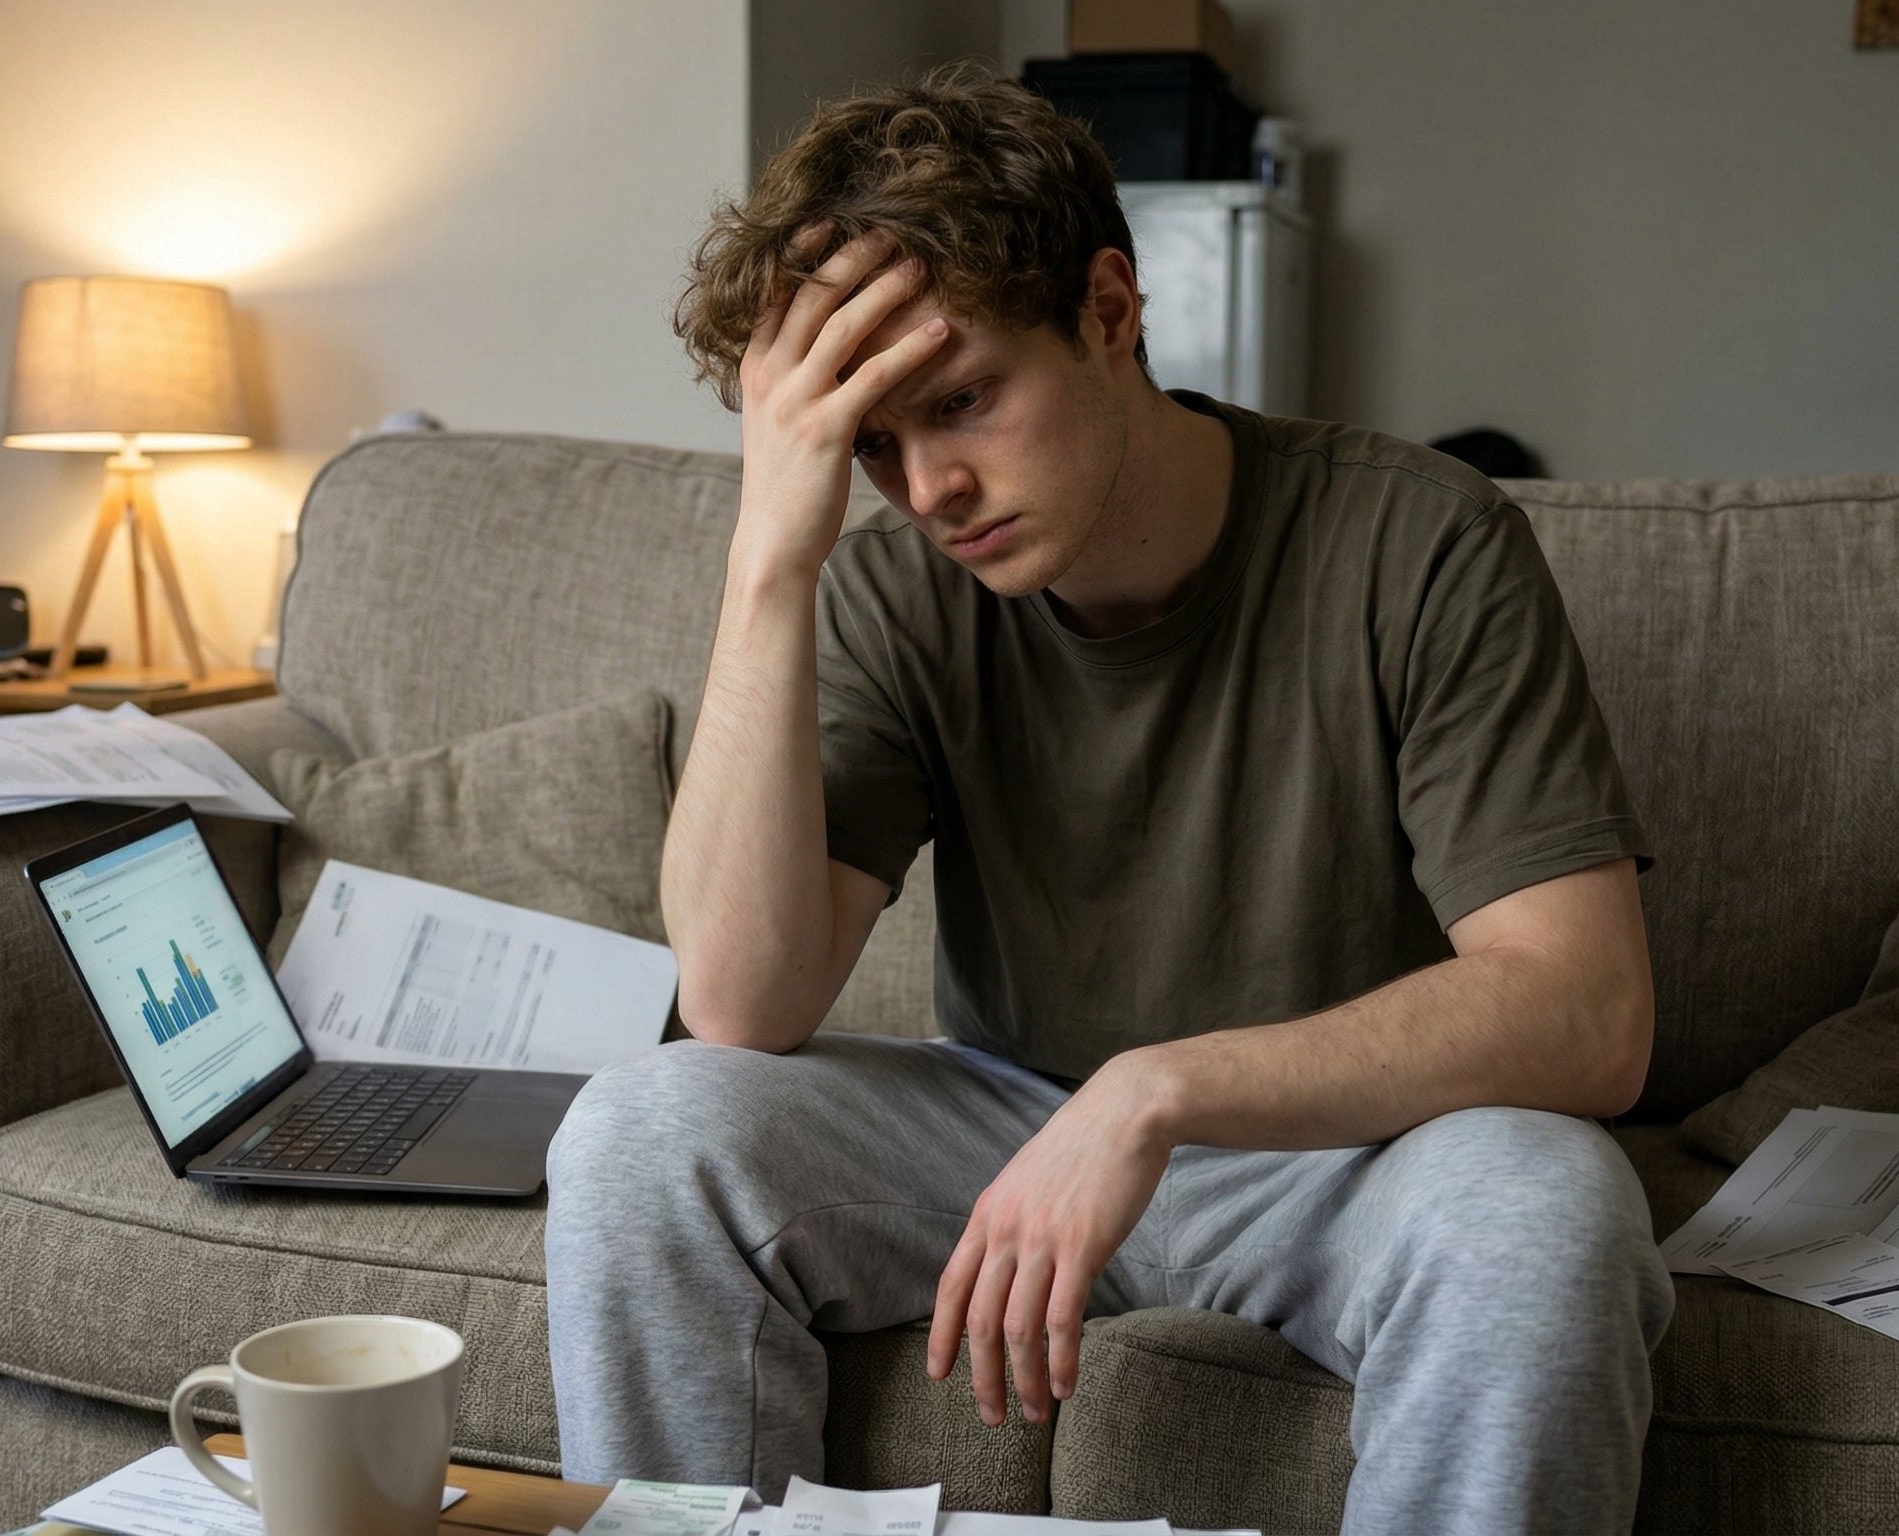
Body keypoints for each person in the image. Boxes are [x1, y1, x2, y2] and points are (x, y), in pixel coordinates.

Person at [545, 68, 1673, 1534]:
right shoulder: (896, 587)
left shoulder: (1419, 539)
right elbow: (744, 1008)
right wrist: (773, 556)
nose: (932, 487)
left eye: (961, 401)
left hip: (1344, 1155)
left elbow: (1590, 1012)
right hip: (1000, 1131)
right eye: (873, 446)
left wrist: (1159, 1088)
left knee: (1549, 1209)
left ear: (1110, 311)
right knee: (642, 1132)